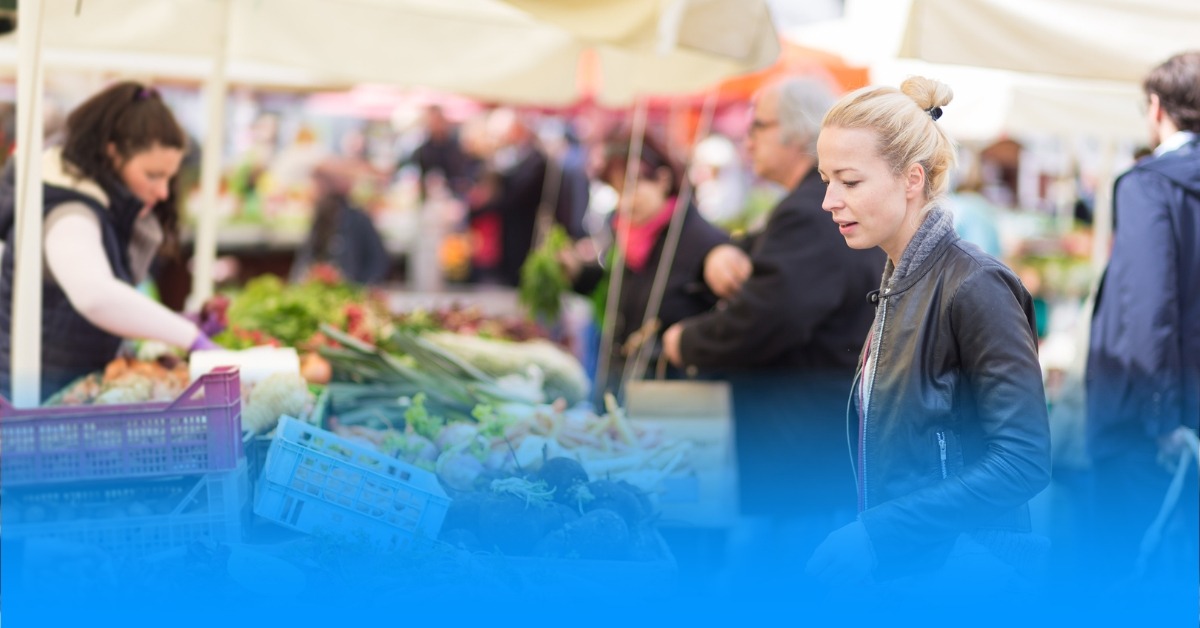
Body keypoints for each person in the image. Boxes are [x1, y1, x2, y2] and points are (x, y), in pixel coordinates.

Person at [804, 76, 1052, 600]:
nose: (829, 200)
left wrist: (879, 533)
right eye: (826, 179)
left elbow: (1023, 462)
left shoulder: (975, 285)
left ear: (911, 179)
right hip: (920, 567)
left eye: (849, 181)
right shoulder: (901, 279)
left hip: (970, 572)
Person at [660, 78, 885, 567]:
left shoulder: (812, 208)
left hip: (799, 448)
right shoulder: (809, 204)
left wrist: (687, 342)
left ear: (797, 134)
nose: (748, 139)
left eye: (758, 126)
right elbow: (764, 253)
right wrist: (721, 252)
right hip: (813, 441)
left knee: (781, 582)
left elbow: (768, 317)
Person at [0, 82, 218, 402]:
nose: (163, 192)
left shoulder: (95, 203)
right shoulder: (69, 211)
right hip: (27, 402)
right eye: (153, 175)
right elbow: (96, 296)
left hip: (55, 393)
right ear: (112, 153)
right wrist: (192, 338)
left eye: (169, 178)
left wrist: (177, 324)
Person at [1084, 51, 1199, 593]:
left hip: (1148, 425)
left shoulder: (1149, 183)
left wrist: (1161, 420)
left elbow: (1150, 306)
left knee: (1129, 576)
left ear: (1157, 108)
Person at [562, 131, 728, 398]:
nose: (624, 202)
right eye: (617, 191)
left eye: (632, 187)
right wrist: (578, 273)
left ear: (663, 180)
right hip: (625, 388)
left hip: (676, 400)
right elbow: (618, 286)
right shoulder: (631, 235)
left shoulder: (705, 242)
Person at [290, 160, 391, 286]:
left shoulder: (357, 219)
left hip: (352, 290)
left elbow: (377, 263)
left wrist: (362, 288)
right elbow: (306, 259)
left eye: (319, 184)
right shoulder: (321, 219)